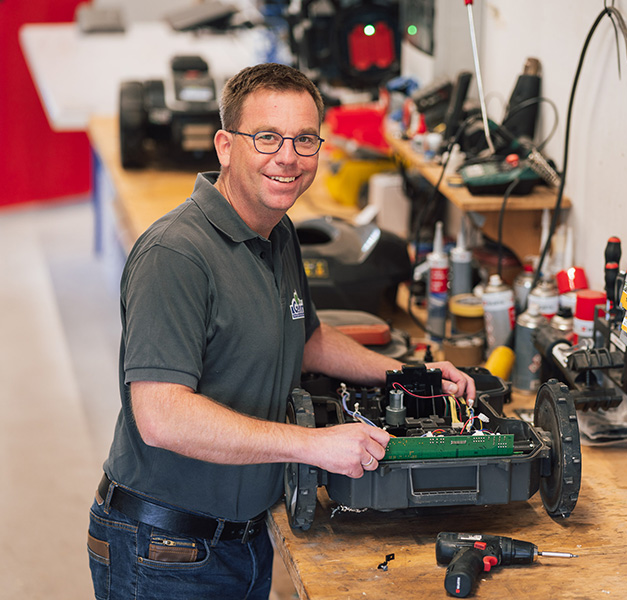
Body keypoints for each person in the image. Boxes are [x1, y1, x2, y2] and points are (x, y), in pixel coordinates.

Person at [87, 63, 475, 599]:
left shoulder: (277, 229)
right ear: (225, 145)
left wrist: (410, 375)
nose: (287, 157)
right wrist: (313, 446)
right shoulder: (175, 255)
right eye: (266, 137)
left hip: (245, 539)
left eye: (305, 139)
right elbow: (161, 416)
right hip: (166, 552)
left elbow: (305, 336)